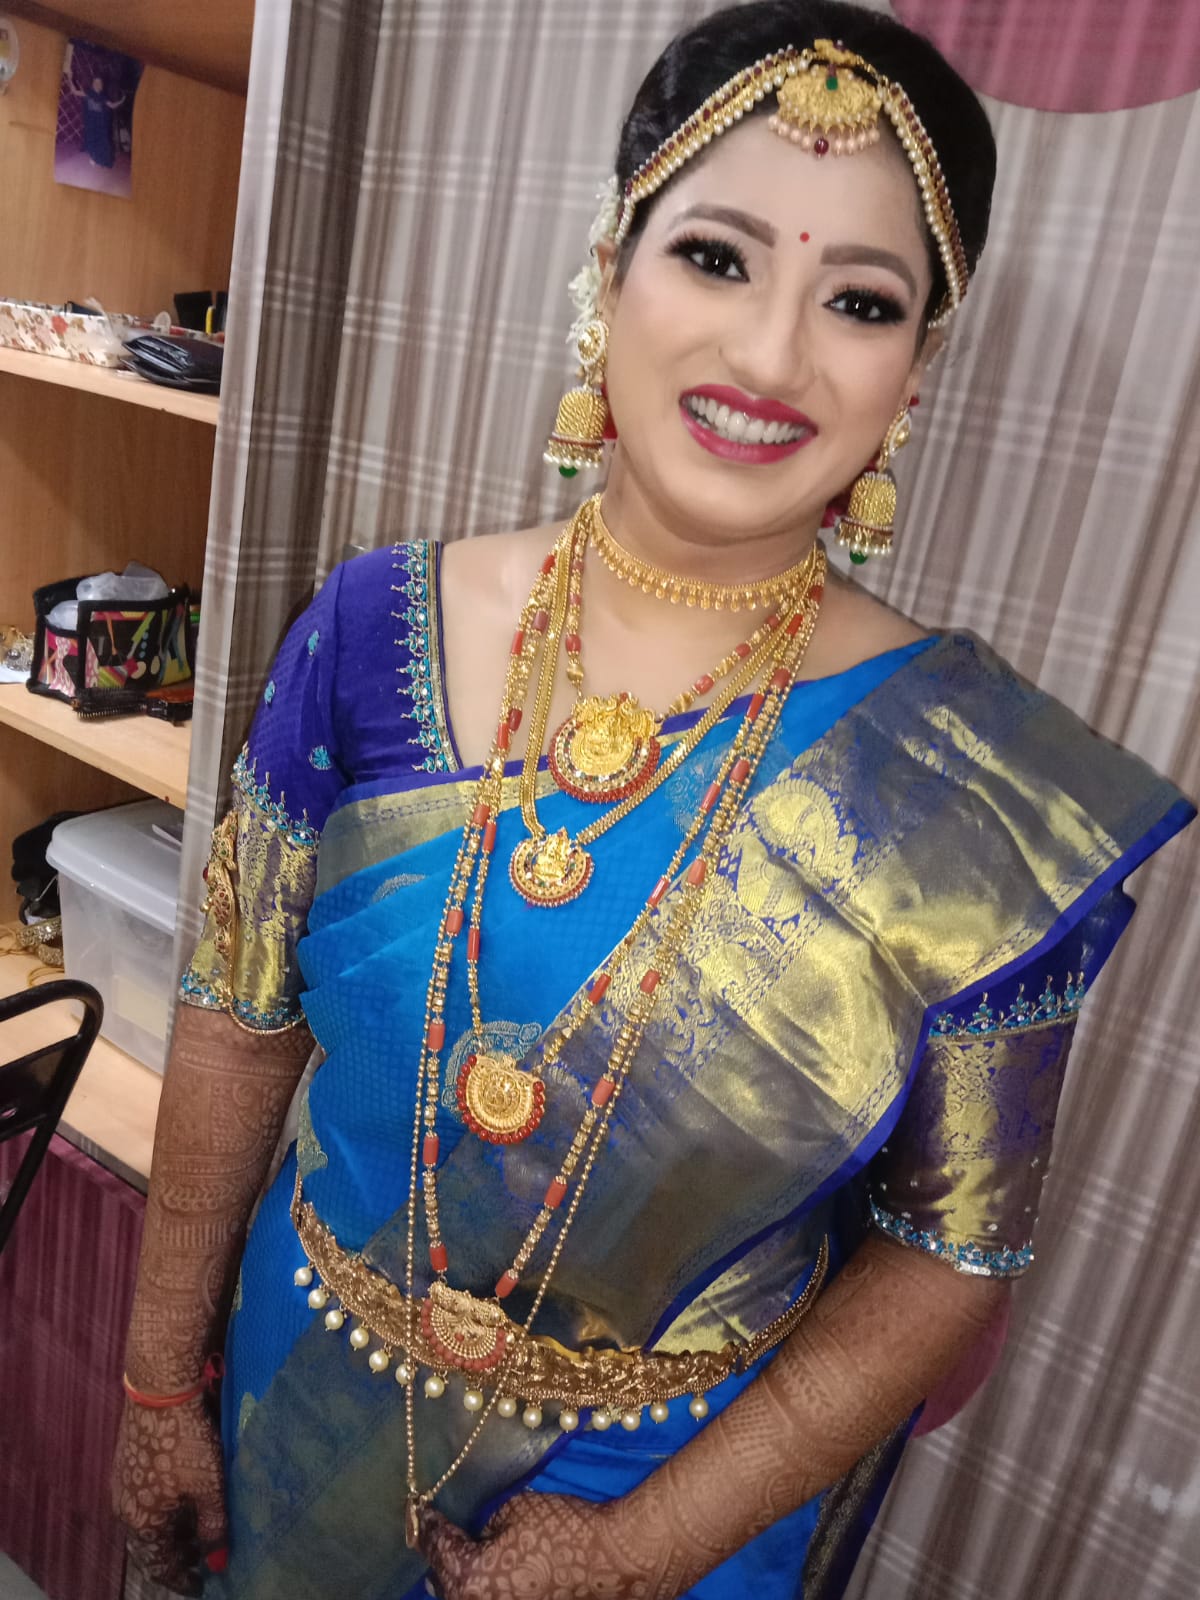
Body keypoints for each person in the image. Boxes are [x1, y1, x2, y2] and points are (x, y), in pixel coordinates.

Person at [110, 3, 1194, 1597]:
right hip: (299, 1396)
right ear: (609, 272)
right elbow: (235, 1016)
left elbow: (947, 1253)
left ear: (916, 371)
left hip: (673, 1489)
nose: (770, 356)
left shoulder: (978, 796)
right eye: (716, 258)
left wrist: (639, 1553)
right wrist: (157, 1385)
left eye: (862, 301)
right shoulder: (369, 630)